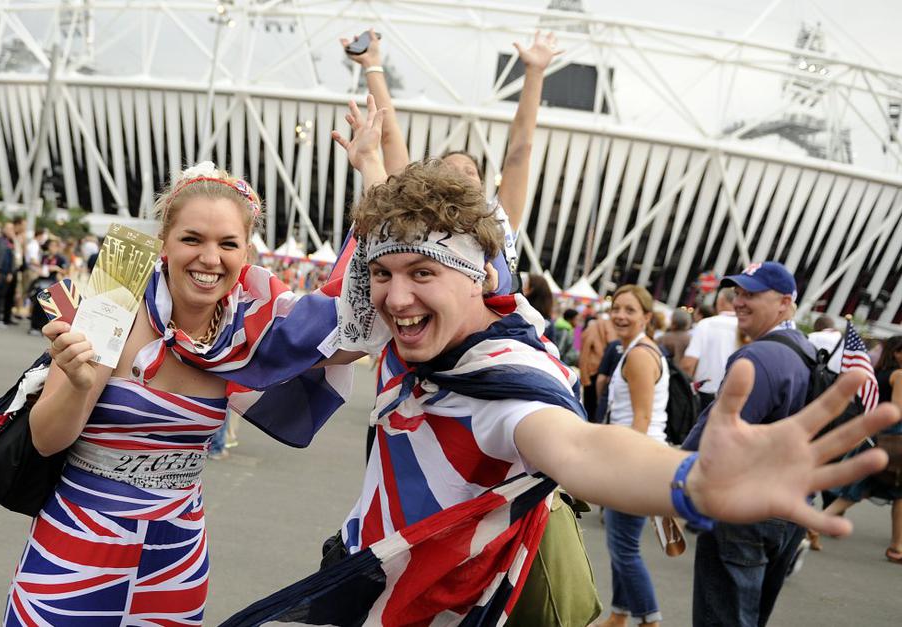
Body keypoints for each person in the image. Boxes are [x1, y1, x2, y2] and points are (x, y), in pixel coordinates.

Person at [245, 105, 901, 623]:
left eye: (421, 272)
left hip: (430, 603)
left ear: (479, 275)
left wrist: (688, 480)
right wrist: (369, 161)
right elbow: (389, 241)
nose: (394, 296)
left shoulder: (501, 373)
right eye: (384, 274)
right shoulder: (415, 330)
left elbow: (578, 446)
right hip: (364, 564)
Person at [5, 163, 358, 625]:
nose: (210, 258)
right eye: (192, 239)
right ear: (164, 243)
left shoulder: (245, 330)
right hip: (77, 547)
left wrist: (375, 168)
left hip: (176, 563)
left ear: (246, 253)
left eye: (227, 244)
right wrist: (77, 383)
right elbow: (47, 440)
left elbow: (353, 326)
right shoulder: (115, 296)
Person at [342, 29, 561, 295]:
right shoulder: (410, 212)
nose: (458, 173)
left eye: (469, 171)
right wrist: (372, 63)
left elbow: (520, 150)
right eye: (448, 168)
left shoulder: (498, 220)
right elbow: (388, 134)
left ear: (481, 187)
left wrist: (535, 72)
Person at [682, 261, 823, 627]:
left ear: (785, 302)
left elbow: (718, 438)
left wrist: (674, 479)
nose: (740, 301)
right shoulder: (803, 348)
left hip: (745, 510)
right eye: (738, 292)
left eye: (753, 294)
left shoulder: (759, 356)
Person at [594, 285, 670, 627]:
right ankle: (619, 614)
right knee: (621, 544)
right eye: (616, 308)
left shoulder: (639, 355)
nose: (620, 316)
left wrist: (622, 468)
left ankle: (649, 621)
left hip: (637, 461)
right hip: (640, 458)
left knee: (624, 549)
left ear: (647, 317)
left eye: (630, 310)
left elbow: (642, 417)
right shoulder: (635, 349)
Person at [808, 335, 902, 561]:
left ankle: (897, 545)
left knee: (862, 487)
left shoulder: (879, 373)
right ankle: (896, 547)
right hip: (892, 438)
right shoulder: (899, 375)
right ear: (897, 353)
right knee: (873, 488)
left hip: (875, 434)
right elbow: (897, 410)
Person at [681, 287, 739, 407]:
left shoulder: (706, 324)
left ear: (720, 301)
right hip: (731, 395)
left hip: (704, 391)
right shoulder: (747, 329)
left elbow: (688, 364)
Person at [27, 237, 68, 335]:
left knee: (46, 305)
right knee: (36, 303)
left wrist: (56, 268)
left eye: (55, 246)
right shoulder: (44, 257)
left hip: (51, 283)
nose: (52, 248)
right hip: (41, 281)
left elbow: (65, 272)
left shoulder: (60, 259)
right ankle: (34, 326)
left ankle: (42, 327)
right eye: (51, 245)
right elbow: (40, 267)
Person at [580, 315, 618, 420]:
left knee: (589, 409)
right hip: (607, 372)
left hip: (591, 371)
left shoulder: (590, 329)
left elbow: (583, 352)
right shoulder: (614, 328)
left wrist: (584, 376)